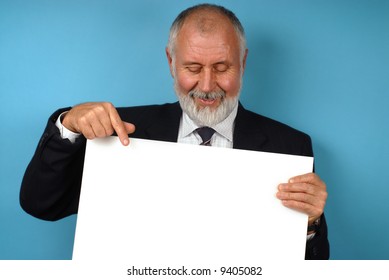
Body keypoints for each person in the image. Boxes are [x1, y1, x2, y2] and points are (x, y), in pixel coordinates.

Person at [20, 3, 329, 260]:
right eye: (193, 68)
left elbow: (312, 266)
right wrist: (68, 126)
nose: (207, 86)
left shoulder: (290, 146)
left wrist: (310, 223)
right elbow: (41, 204)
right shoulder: (114, 129)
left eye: (222, 68)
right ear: (171, 62)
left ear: (243, 62)